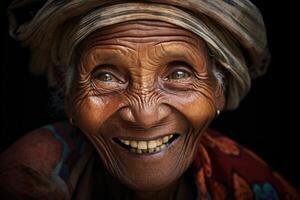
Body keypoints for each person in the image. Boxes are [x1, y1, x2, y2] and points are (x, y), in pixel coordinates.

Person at [0, 0, 298, 199]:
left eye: (180, 74)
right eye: (105, 76)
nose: (145, 116)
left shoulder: (256, 188)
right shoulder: (23, 176)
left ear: (219, 90)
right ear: (69, 95)